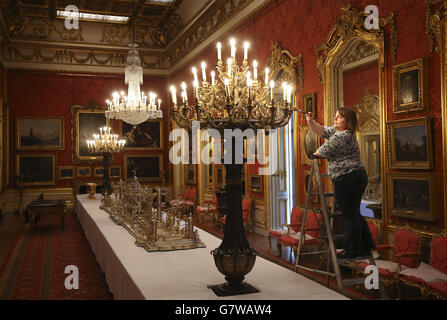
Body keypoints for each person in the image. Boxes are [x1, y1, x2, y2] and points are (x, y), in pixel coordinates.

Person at [306, 107, 375, 259]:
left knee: (350, 215)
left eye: (339, 117)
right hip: (356, 175)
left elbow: (321, 151)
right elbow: (322, 131)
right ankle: (365, 246)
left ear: (348, 122)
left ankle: (352, 250)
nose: (335, 119)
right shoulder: (341, 133)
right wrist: (310, 122)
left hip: (347, 178)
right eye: (335, 116)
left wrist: (314, 154)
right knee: (354, 213)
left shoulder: (342, 136)